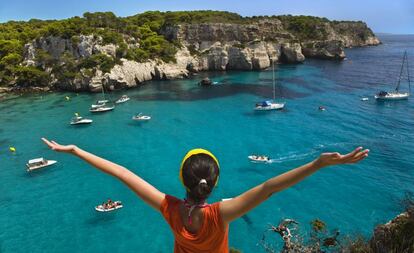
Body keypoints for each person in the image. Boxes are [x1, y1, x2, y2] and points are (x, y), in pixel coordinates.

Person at [41, 138, 368, 253]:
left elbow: (121, 173)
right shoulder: (221, 214)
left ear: (182, 180)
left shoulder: (167, 207)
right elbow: (270, 188)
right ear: (213, 184)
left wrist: (75, 149)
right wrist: (317, 164)